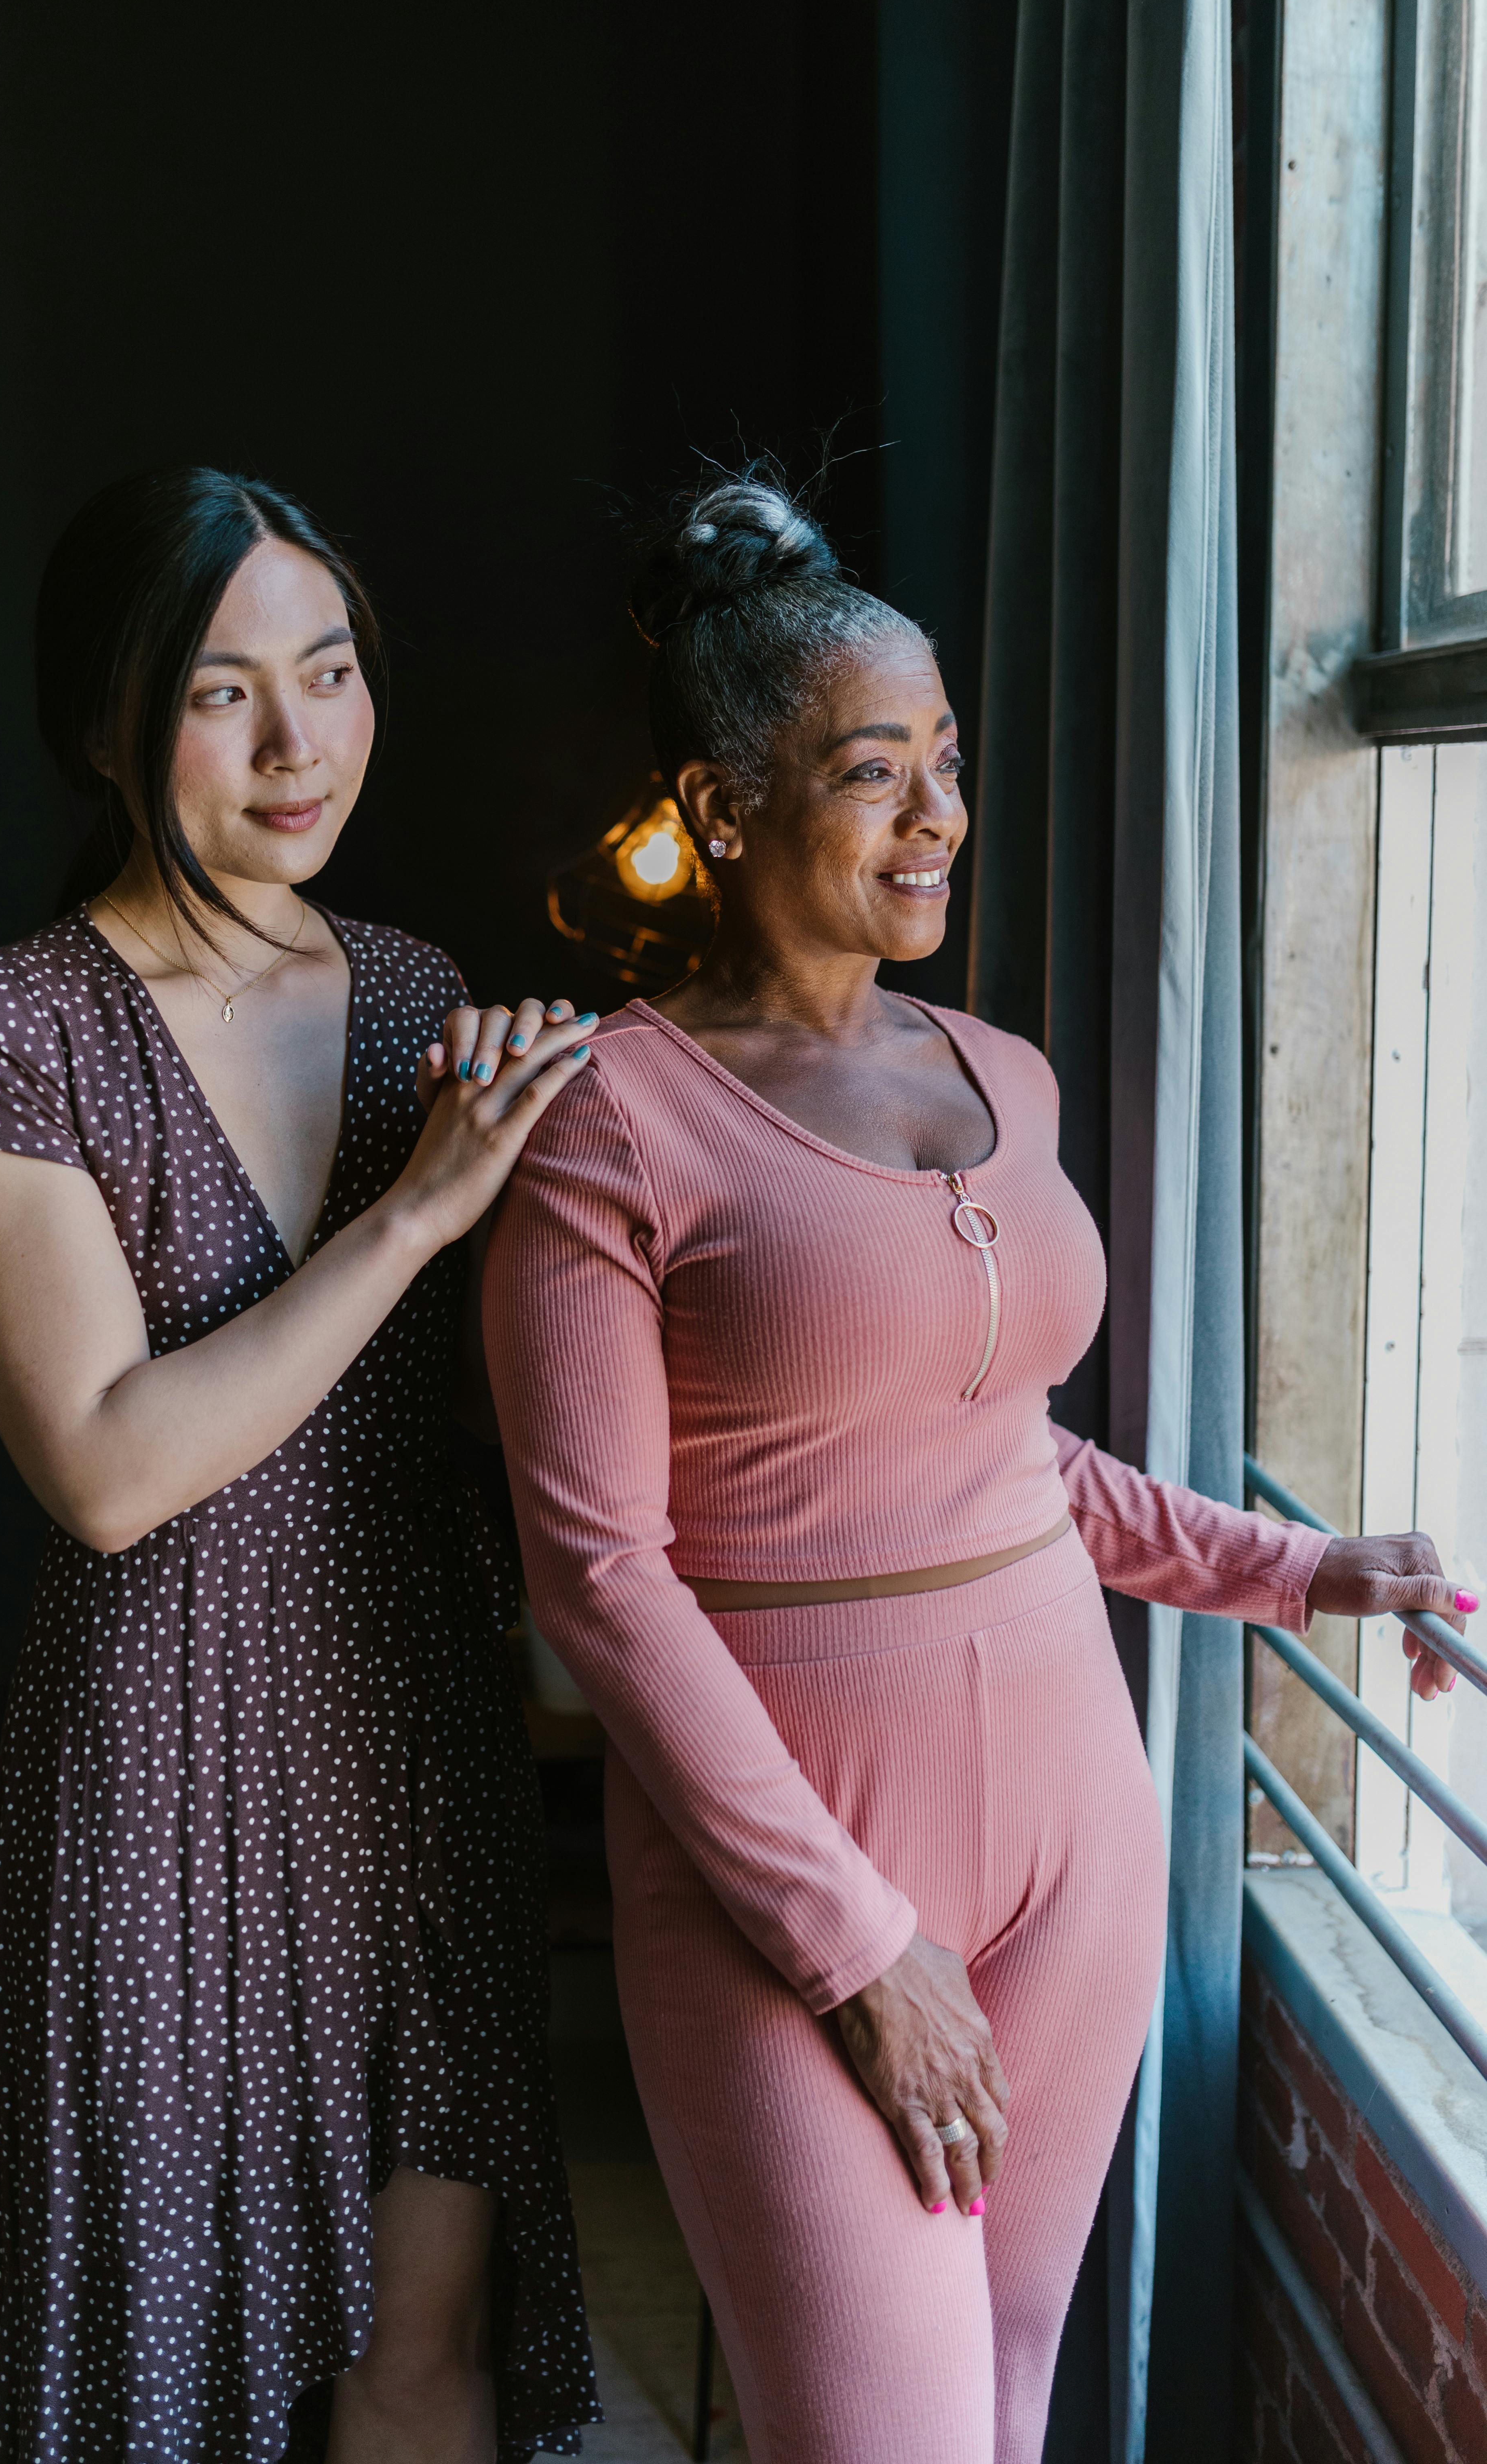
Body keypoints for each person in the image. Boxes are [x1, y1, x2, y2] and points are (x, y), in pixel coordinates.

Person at [481, 472, 1474, 2464]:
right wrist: (857, 1946)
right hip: (795, 1873)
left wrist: (1298, 1569)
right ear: (727, 802)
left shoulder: (993, 1069)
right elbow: (598, 1580)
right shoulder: (605, 1122)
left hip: (1076, 1839)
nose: (940, 809)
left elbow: (1011, 1462)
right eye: (875, 769)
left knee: (1005, 2410)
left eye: (946, 757)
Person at [0, 467, 603, 2464]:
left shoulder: (409, 994)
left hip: (415, 1731)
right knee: (155, 2369)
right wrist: (413, 1218)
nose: (302, 744)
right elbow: (110, 1469)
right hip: (162, 1764)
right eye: (225, 693)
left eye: (332, 670)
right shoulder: (8, 1028)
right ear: (105, 724)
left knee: (426, 2345)